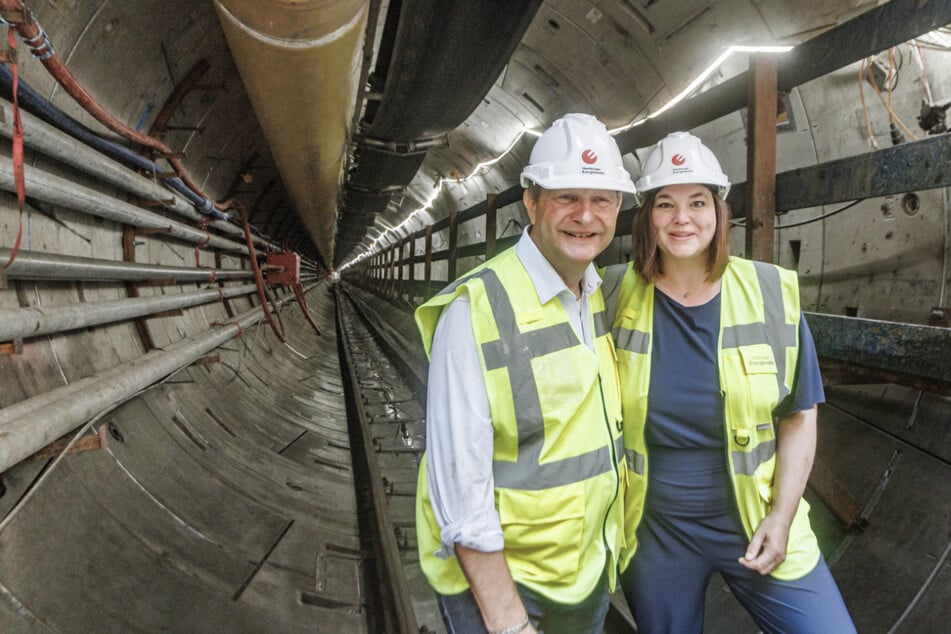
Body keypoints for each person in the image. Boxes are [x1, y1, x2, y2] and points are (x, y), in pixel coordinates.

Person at [601, 131, 856, 633]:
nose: (682, 218)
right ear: (646, 216)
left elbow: (801, 414)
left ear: (719, 212)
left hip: (755, 515)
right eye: (665, 204)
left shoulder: (770, 293)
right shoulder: (610, 295)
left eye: (698, 201)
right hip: (657, 531)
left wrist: (782, 517)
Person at [414, 113, 636, 634]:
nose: (585, 216)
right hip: (505, 592)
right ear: (531, 201)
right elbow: (461, 492)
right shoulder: (475, 311)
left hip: (585, 579)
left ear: (618, 208)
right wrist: (509, 623)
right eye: (566, 197)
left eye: (600, 199)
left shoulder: (598, 297)